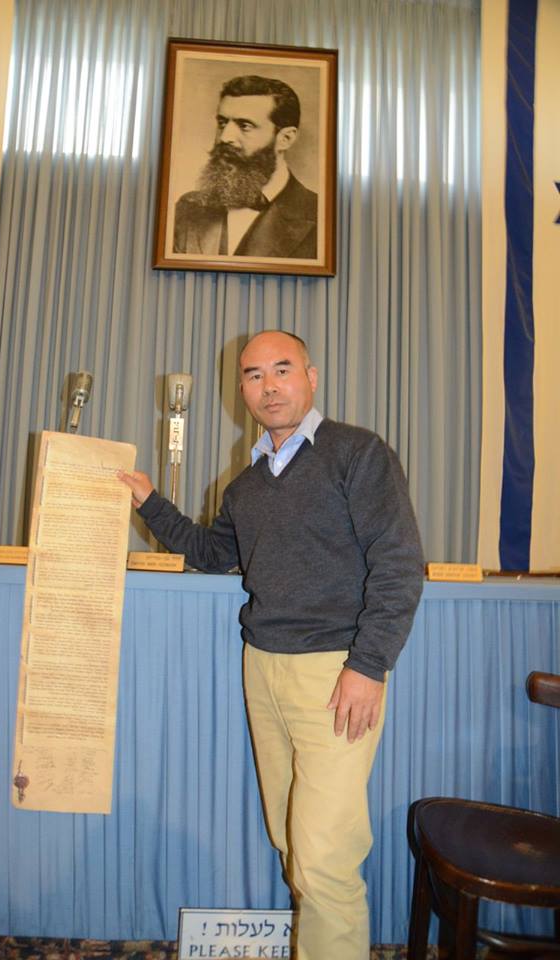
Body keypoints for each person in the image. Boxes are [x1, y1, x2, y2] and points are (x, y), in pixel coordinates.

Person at [119, 331, 424, 960]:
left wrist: (368, 667)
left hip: (336, 673)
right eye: (254, 375)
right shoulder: (247, 483)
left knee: (324, 857)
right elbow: (212, 552)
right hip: (262, 669)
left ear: (311, 376)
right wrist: (148, 501)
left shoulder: (358, 453)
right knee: (290, 841)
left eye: (282, 369)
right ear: (242, 391)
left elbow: (398, 565)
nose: (269, 385)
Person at [173, 76, 317, 259]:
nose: (225, 137)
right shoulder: (188, 208)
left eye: (245, 126)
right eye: (222, 123)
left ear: (285, 139)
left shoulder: (320, 215)